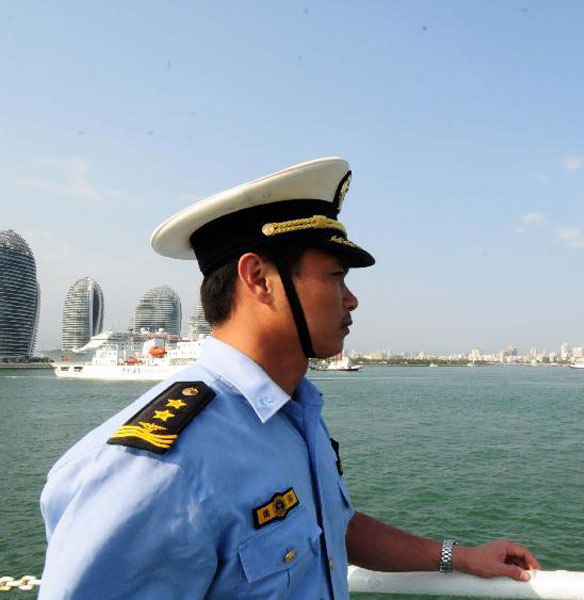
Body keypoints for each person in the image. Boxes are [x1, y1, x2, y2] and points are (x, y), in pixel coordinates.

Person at [39, 157, 540, 599]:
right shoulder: (159, 469)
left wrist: (459, 556)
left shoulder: (294, 414)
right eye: (334, 277)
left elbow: (329, 526)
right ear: (258, 278)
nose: (352, 299)